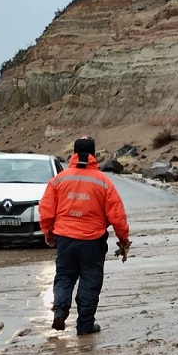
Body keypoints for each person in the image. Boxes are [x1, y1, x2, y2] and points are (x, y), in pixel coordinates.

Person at [39, 137, 130, 335]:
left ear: (73, 153)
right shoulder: (103, 182)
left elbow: (46, 210)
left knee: (64, 277)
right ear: (93, 155)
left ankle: (60, 312)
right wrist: (123, 239)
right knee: (90, 281)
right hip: (92, 241)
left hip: (65, 239)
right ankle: (85, 326)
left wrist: (48, 232)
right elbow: (117, 214)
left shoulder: (59, 180)